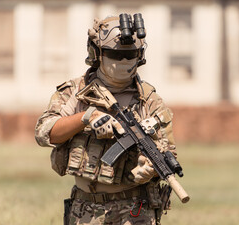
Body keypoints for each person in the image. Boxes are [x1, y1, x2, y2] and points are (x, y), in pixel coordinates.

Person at [35, 14, 177, 225]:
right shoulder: (75, 92)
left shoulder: (149, 100)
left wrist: (149, 169)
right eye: (114, 54)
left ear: (140, 55)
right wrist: (86, 117)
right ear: (97, 53)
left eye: (130, 55)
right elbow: (45, 133)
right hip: (84, 210)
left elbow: (169, 154)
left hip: (135, 209)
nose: (123, 61)